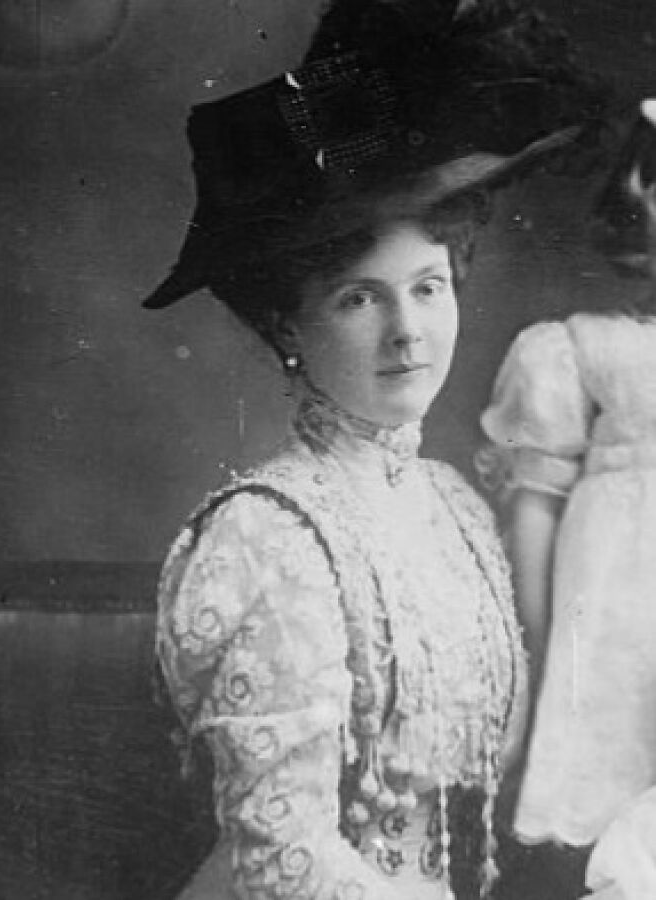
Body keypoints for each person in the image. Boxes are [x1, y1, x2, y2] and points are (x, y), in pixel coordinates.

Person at [145, 2, 604, 898]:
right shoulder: (266, 538)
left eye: (427, 287)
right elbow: (281, 859)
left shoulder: (453, 509)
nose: (409, 332)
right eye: (360, 298)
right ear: (287, 323)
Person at [478, 98, 656, 900]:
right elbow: (536, 508)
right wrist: (549, 655)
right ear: (640, 198)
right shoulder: (584, 347)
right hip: (620, 622)